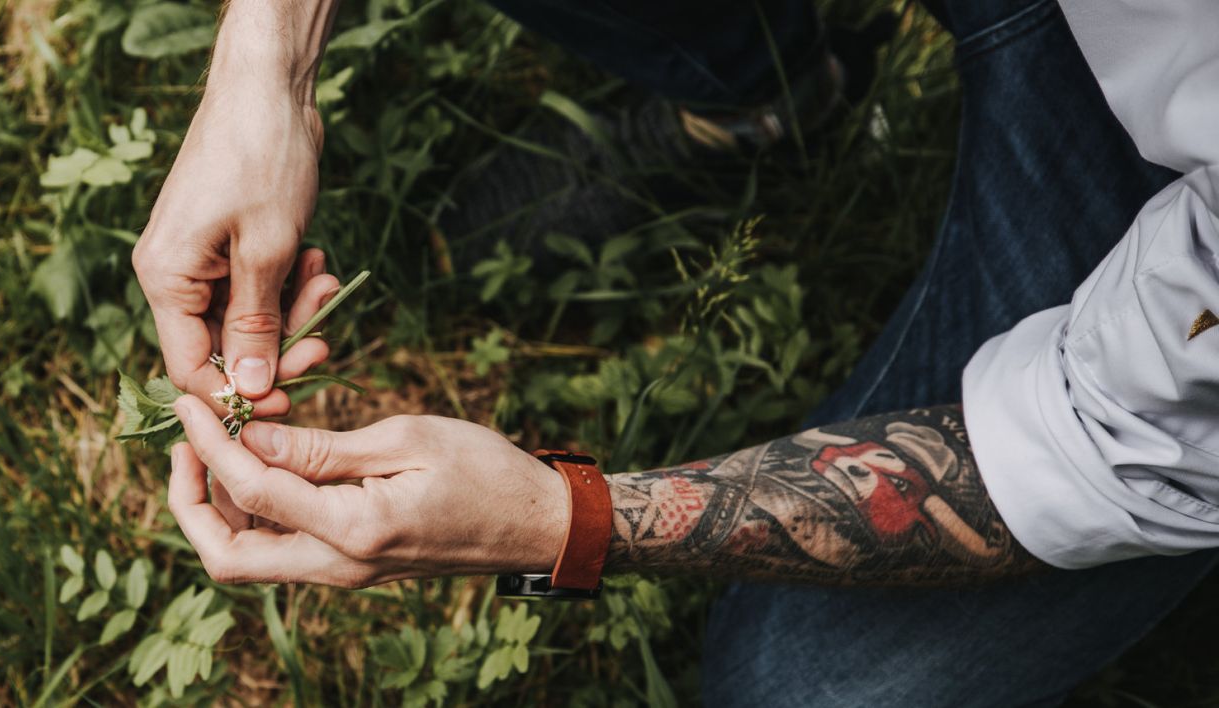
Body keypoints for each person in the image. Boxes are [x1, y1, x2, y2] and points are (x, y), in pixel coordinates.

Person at [131, 0, 1219, 703]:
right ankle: (758, 88)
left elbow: (1086, 449)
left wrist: (558, 521)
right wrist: (264, 66)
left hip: (1171, 287)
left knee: (804, 686)